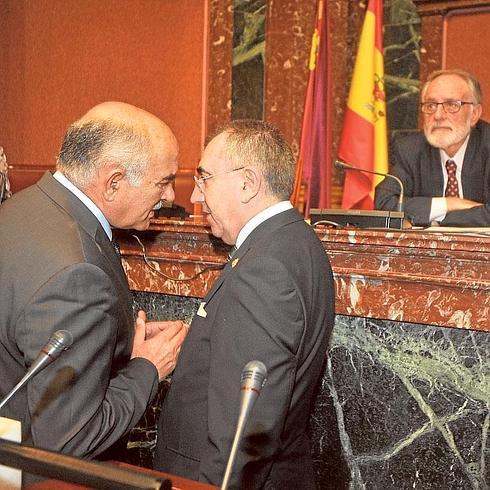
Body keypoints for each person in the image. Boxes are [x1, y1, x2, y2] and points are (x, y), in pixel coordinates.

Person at [0, 102, 188, 476]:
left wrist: (113, 345)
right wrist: (147, 367)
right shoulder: (77, 272)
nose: (169, 196)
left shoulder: (22, 208)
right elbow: (71, 441)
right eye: (162, 181)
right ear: (113, 182)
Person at [154, 120, 335, 488]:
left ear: (248, 183)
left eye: (204, 179)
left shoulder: (265, 267)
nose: (195, 196)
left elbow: (243, 433)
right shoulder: (292, 241)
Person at [375, 69, 490, 226]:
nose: (438, 115)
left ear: (475, 114)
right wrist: (449, 204)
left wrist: (437, 220)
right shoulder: (410, 149)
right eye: (431, 105)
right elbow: (384, 204)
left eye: (451, 105)